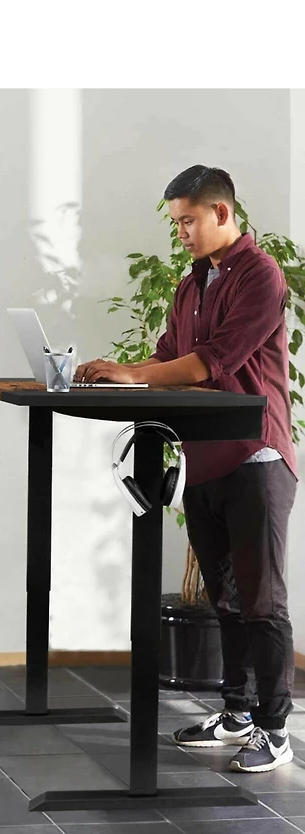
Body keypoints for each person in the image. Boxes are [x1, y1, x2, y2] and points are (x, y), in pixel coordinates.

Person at [75, 165, 298, 772]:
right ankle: (237, 711)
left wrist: (135, 375)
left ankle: (275, 729)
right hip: (203, 457)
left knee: (261, 600)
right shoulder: (191, 282)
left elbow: (211, 362)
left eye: (188, 221)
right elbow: (169, 356)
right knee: (224, 598)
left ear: (222, 213)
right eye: (176, 224)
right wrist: (117, 372)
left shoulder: (260, 275)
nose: (181, 234)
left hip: (256, 455)